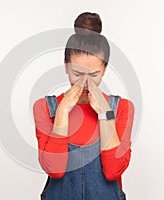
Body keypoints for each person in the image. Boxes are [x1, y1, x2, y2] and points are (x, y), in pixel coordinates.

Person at [33, 12, 135, 200]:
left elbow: (113, 170)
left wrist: (105, 114)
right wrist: (62, 112)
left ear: (104, 69)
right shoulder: (45, 108)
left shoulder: (122, 108)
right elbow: (54, 170)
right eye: (77, 73)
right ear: (66, 66)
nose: (85, 83)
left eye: (94, 74)